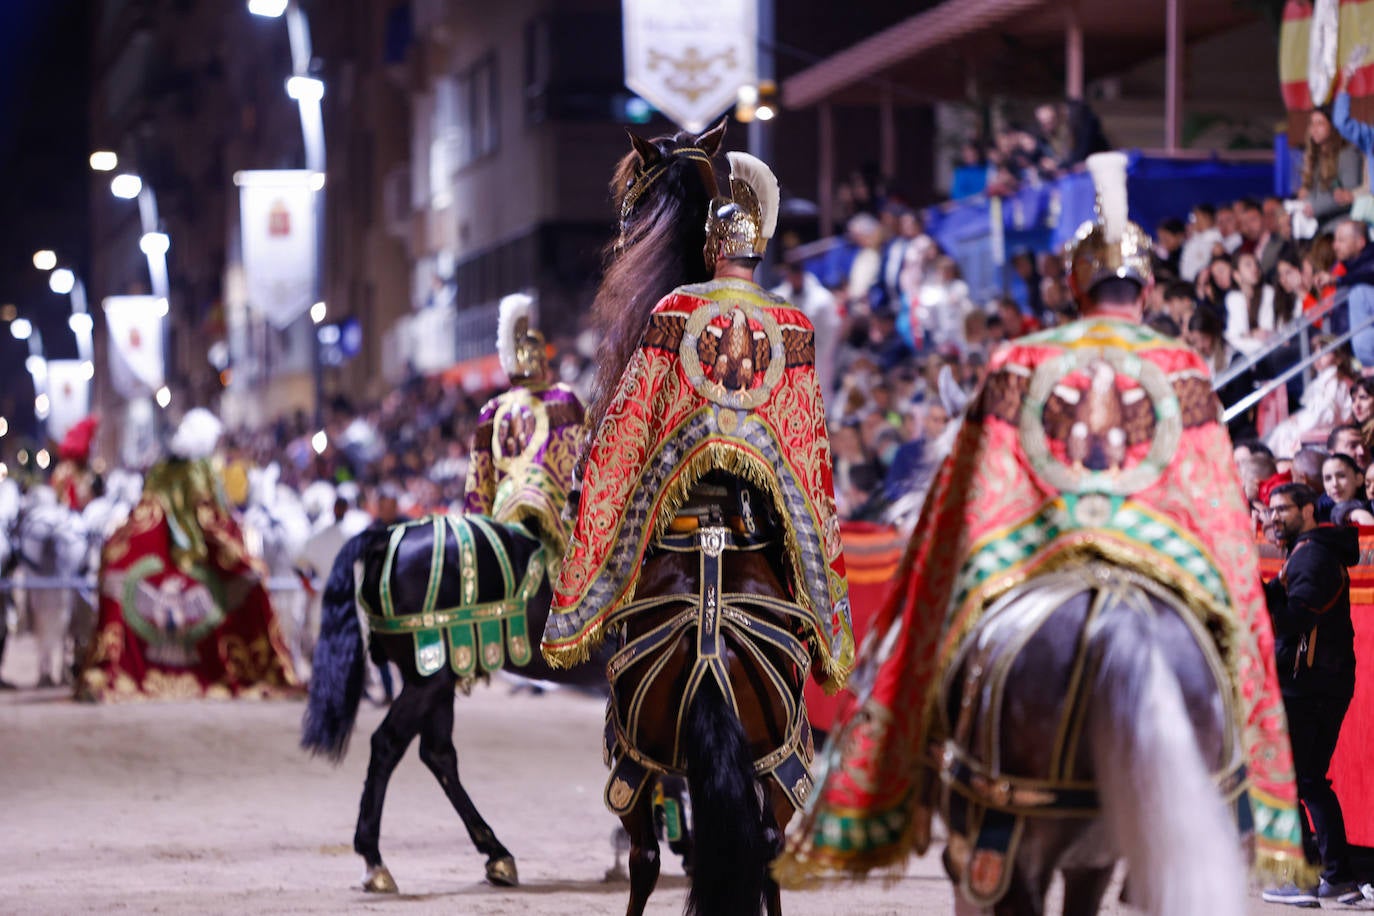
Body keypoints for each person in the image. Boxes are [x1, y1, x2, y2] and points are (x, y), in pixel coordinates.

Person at [776, 152, 1305, 884]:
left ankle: (908, 783)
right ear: (1147, 289)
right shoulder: (1181, 364)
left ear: (1070, 284)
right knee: (1238, 648)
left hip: (1044, 552)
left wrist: (964, 557)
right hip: (1164, 560)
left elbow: (977, 483)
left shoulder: (1024, 355)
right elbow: (1213, 504)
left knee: (935, 635)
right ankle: (1252, 815)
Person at [543, 149, 854, 687]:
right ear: (758, 252)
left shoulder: (677, 309)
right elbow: (807, 451)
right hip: (756, 520)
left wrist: (594, 488)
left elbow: (630, 425)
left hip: (681, 517)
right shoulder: (792, 324)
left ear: (711, 247)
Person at [78, 409, 298, 701]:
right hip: (198, 554)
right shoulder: (201, 471)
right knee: (251, 579)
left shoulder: (160, 472)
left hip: (168, 552)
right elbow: (212, 516)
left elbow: (149, 511)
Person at [1260, 483, 1362, 906]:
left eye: (1283, 508)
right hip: (1320, 682)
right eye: (1270, 510)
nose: (1274, 517)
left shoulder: (1313, 555)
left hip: (1307, 685)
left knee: (1292, 782)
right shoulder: (1310, 551)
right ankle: (1337, 877)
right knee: (1310, 781)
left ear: (1308, 508)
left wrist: (1257, 593)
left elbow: (1296, 618)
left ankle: (1304, 879)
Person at [462, 292, 585, 566]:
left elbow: (479, 484)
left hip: (503, 514)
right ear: (543, 362)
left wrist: (477, 540)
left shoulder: (493, 409)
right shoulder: (564, 398)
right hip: (556, 514)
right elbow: (587, 454)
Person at [1333, 220, 1374, 366]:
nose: (1335, 246)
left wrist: (1339, 280)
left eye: (1341, 240)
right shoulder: (1342, 270)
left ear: (1360, 242)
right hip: (1349, 349)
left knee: (1359, 293)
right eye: (1335, 240)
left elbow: (1369, 272)